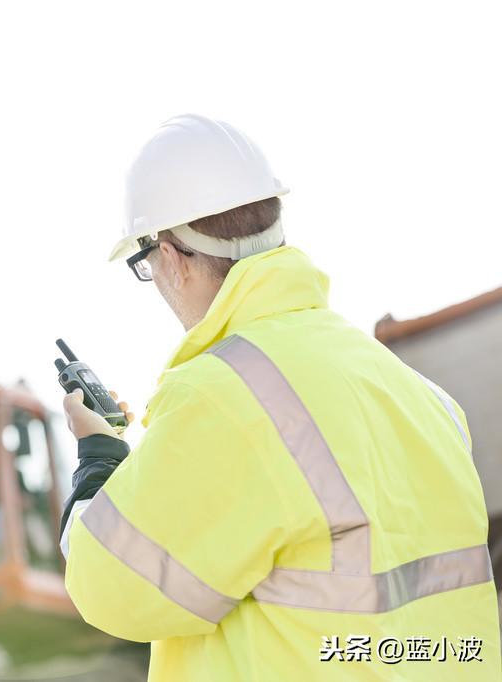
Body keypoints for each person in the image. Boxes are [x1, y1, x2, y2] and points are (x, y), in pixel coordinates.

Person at [59, 113, 501, 681]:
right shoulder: (417, 392)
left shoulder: (225, 394)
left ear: (168, 253)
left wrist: (98, 462)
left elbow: (112, 586)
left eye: (144, 265)